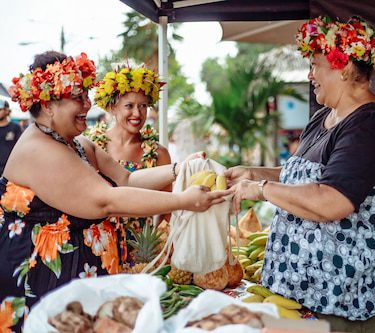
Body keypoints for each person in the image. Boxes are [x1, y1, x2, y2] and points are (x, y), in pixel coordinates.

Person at [0, 51, 230, 331]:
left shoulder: (75, 143)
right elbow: (106, 201)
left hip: (76, 280)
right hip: (43, 280)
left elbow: (126, 180)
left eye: (86, 94)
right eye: (78, 96)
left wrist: (180, 169)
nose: (88, 103)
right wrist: (184, 201)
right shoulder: (39, 149)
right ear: (48, 104)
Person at [227, 16, 375, 332]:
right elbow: (302, 176)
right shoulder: (324, 116)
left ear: (345, 67)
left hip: (348, 297)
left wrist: (261, 189)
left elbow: (331, 200)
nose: (310, 75)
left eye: (315, 65)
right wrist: (253, 173)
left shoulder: (370, 125)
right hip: (306, 290)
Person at [88, 65, 172, 240]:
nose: (137, 113)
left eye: (143, 106)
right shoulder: (92, 146)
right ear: (113, 108)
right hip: (97, 245)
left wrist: (156, 249)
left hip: (139, 252)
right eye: (129, 105)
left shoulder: (159, 153)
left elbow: (166, 211)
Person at [0, 100, 23, 176]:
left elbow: (21, 148)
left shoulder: (15, 127)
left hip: (9, 171)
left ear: (7, 111)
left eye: (0, 109)